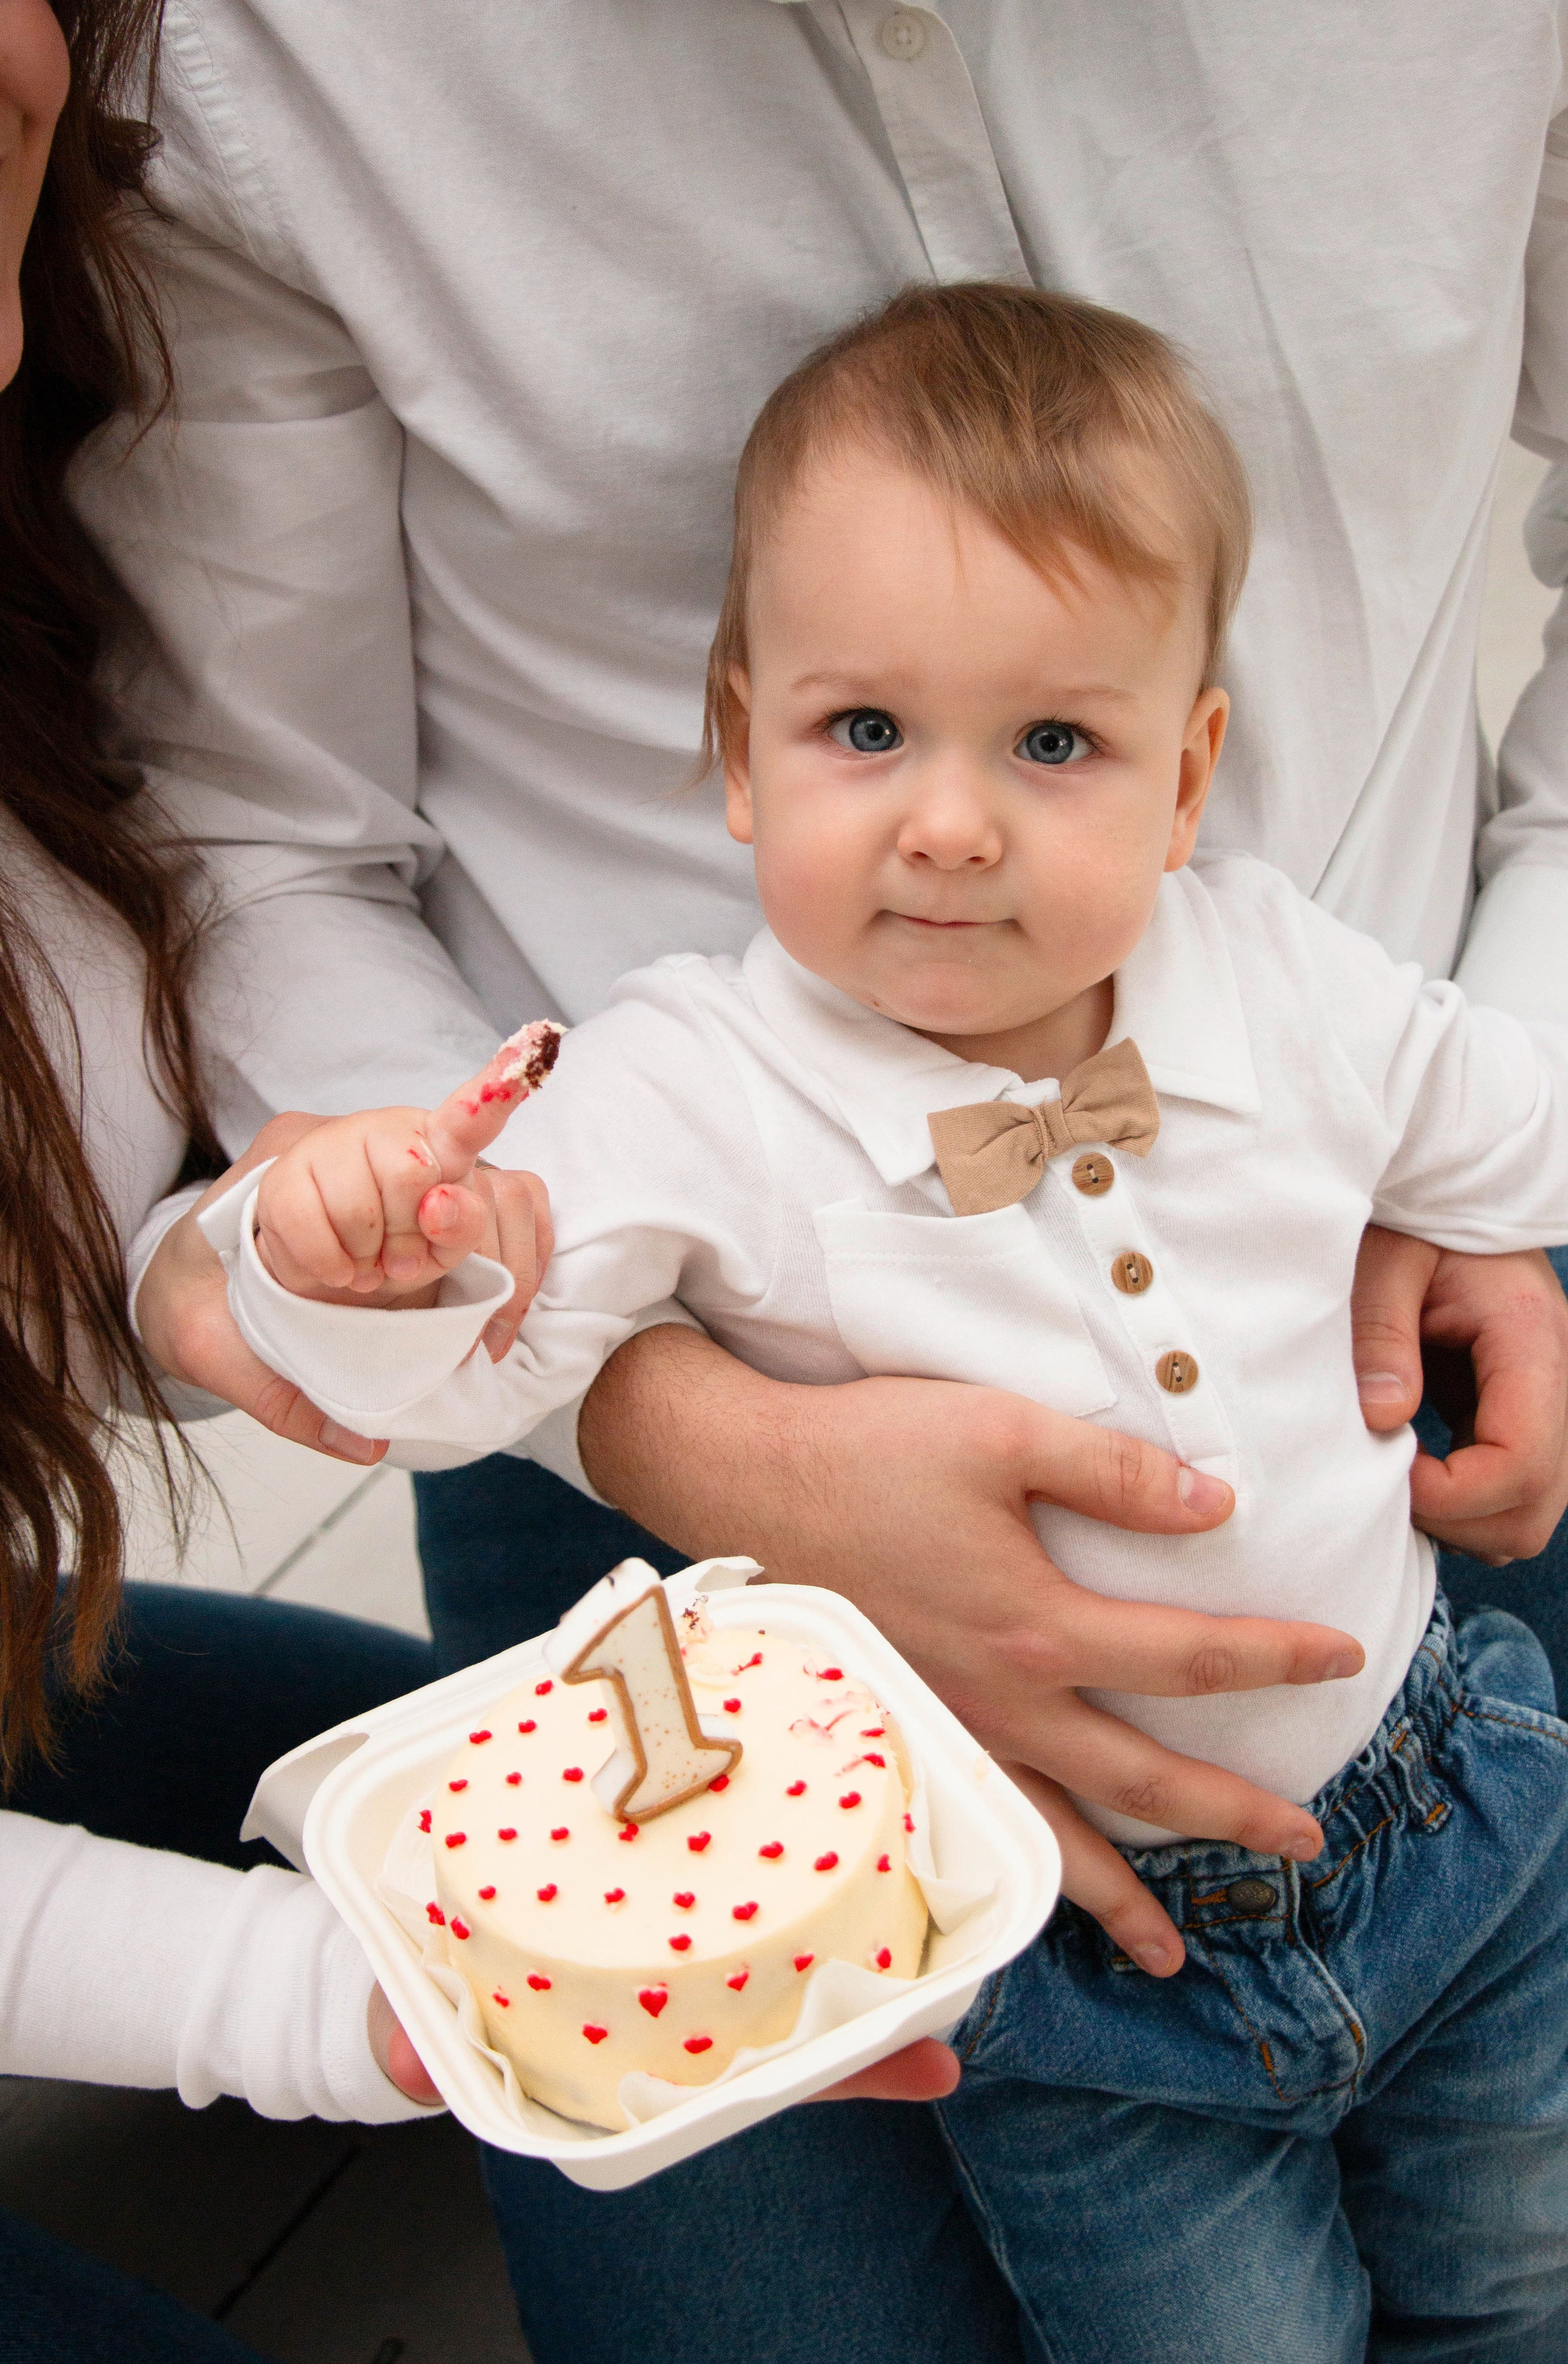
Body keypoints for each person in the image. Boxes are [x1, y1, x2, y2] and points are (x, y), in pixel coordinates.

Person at [82, 0, 1568, 2345]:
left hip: (1397, 1437)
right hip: (665, 1404)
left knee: (1523, 2238)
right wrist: (661, 1409)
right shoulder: (273, 59)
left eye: (1055, 746)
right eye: (864, 731)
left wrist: (1484, 1167)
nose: (956, 824)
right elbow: (279, 863)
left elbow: (1497, 1101)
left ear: (1185, 778)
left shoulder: (1283, 971)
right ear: (737, 749)